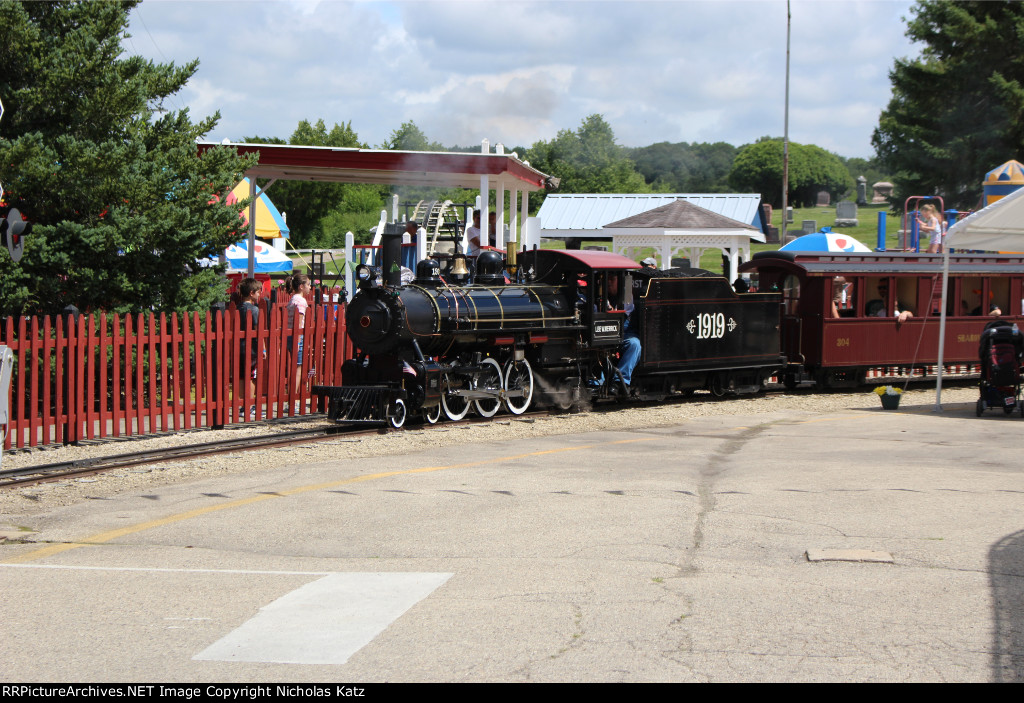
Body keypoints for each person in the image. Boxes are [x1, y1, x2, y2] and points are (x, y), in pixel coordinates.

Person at [237, 278, 262, 420]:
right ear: (252, 293)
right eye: (258, 292)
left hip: (239, 348)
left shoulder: (238, 308)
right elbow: (258, 331)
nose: (260, 295)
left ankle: (242, 405)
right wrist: (263, 349)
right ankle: (250, 406)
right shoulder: (254, 310)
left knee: (241, 377)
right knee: (252, 377)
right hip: (251, 349)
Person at [286, 273, 311, 405]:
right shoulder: (301, 301)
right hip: (297, 337)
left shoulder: (292, 299)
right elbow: (299, 322)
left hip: (290, 336)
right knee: (298, 368)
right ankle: (293, 400)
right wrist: (299, 340)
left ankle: (291, 398)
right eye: (308, 285)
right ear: (301, 286)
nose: (310, 288)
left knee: (295, 367)